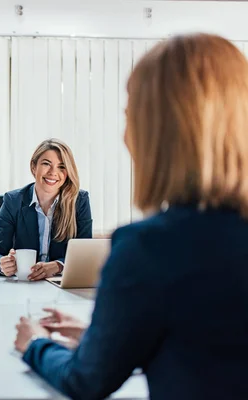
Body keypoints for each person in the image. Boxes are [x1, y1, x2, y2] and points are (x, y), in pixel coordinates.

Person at [14, 33, 248, 399]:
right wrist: (110, 334)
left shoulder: (151, 247)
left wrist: (36, 344)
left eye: (130, 115)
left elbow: (87, 380)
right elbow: (210, 351)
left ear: (157, 131)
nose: (125, 135)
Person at [0, 139, 92, 280]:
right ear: (33, 167)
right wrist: (2, 264)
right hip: (23, 285)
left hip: (59, 285)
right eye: (46, 164)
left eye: (61, 167)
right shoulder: (13, 200)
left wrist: (59, 265)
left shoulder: (80, 201)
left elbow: (86, 255)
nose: (53, 172)